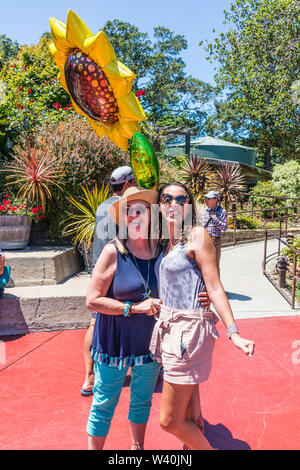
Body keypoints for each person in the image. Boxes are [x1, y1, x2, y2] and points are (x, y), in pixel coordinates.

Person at [85, 186, 211, 450]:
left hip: (149, 346)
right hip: (114, 343)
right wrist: (134, 308)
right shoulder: (114, 252)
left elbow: (189, 277)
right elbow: (92, 301)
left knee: (142, 401)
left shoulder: (161, 252)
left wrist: (205, 295)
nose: (136, 217)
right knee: (104, 403)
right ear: (123, 218)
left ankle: (137, 448)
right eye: (130, 212)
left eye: (142, 211)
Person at [150, 182, 255, 450]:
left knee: (169, 421)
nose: (173, 204)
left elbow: (215, 286)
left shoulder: (197, 235)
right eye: (166, 198)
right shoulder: (167, 242)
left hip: (188, 332)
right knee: (187, 413)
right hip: (171, 330)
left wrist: (234, 333)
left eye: (180, 199)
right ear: (159, 204)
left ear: (189, 205)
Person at [81, 166, 137, 396]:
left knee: (96, 323)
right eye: (133, 182)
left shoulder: (101, 207)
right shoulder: (124, 208)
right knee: (133, 315)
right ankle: (139, 367)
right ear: (127, 184)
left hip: (99, 271)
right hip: (120, 271)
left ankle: (89, 377)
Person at [201, 190, 228, 274]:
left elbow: (225, 227)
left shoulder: (222, 211)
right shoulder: (204, 211)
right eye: (206, 198)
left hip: (215, 240)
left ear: (215, 199)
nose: (206, 200)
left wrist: (215, 218)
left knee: (214, 265)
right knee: (203, 263)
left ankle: (216, 286)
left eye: (209, 198)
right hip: (204, 240)